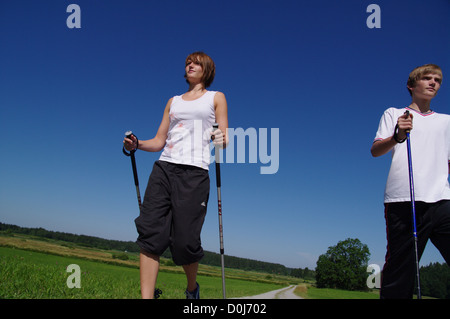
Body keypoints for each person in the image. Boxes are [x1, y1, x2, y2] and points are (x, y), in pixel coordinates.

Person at [123, 51, 228, 299]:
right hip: (164, 169)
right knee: (150, 234)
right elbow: (160, 141)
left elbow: (223, 138)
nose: (190, 65)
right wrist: (137, 144)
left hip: (195, 174)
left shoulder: (216, 97)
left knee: (185, 242)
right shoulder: (173, 101)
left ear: (207, 69)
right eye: (187, 63)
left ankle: (192, 289)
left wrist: (222, 138)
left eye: (195, 62)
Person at [371, 64, 450, 298]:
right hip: (404, 200)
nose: (433, 82)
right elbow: (375, 150)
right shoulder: (394, 113)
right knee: (400, 273)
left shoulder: (447, 121)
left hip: (442, 200)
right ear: (411, 85)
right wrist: (397, 136)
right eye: (427, 78)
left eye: (437, 79)